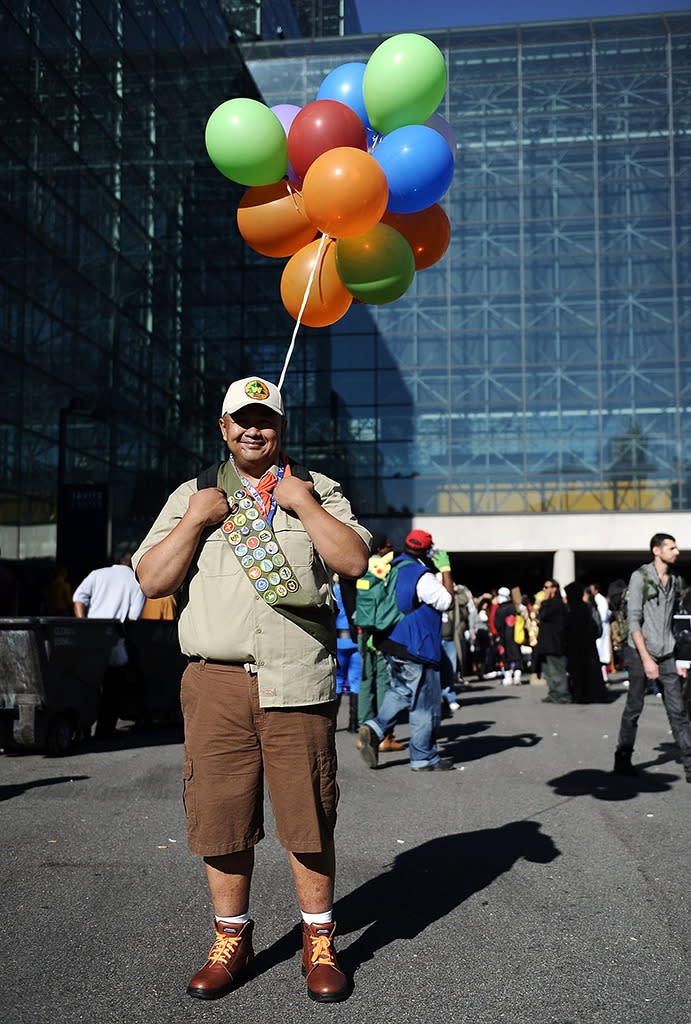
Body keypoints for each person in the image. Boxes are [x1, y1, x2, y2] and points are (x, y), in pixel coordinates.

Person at [132, 375, 369, 1003]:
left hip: (297, 678)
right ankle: (230, 939)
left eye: (265, 419)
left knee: (308, 817)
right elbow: (152, 579)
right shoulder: (195, 493)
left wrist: (305, 506)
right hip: (215, 682)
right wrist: (196, 520)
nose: (253, 429)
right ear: (223, 427)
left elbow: (352, 562)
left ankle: (319, 941)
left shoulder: (316, 490)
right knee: (221, 818)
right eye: (242, 419)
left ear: (281, 428)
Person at [357, 530, 454, 772]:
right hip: (417, 646)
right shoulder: (421, 574)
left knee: (400, 690)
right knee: (424, 702)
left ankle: (375, 727)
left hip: (392, 642)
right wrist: (445, 569)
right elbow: (447, 601)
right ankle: (423, 757)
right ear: (427, 549)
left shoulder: (393, 566)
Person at [613, 533, 691, 782]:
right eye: (671, 547)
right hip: (639, 650)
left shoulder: (676, 580)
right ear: (657, 551)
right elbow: (634, 621)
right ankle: (622, 758)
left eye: (676, 547)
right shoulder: (640, 577)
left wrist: (679, 659)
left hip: (667, 651)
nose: (676, 551)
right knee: (634, 707)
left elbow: (673, 623)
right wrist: (646, 659)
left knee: (678, 710)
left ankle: (690, 764)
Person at [73, 553, 147, 737]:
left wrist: (83, 624)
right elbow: (134, 617)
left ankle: (82, 725)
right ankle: (104, 730)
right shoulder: (137, 582)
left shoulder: (98, 574)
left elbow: (78, 597)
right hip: (115, 638)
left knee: (87, 682)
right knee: (113, 685)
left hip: (91, 635)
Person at [354, 532, 404, 752]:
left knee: (366, 680)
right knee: (385, 681)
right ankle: (384, 736)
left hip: (363, 632)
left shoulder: (362, 567)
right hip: (382, 632)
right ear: (379, 550)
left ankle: (363, 731)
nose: (390, 551)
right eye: (388, 547)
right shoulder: (384, 569)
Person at [564, 583, 607, 703]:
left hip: (573, 645)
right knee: (590, 671)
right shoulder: (588, 608)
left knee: (576, 671)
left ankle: (578, 694)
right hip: (588, 644)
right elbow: (597, 626)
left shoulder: (568, 609)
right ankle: (593, 694)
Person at [534, 579, 571, 703]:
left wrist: (545, 600)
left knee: (556, 670)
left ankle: (562, 694)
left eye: (547, 587)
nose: (544, 590)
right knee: (548, 670)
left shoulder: (556, 603)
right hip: (546, 643)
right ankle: (553, 693)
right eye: (544, 587)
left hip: (554, 642)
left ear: (554, 588)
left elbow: (544, 614)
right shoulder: (549, 603)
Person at [493, 587, 523, 685]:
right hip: (516, 636)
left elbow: (497, 624)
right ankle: (517, 677)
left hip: (504, 636)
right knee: (517, 655)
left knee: (505, 657)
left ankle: (508, 677)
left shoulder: (500, 609)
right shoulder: (515, 607)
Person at [589, 582, 612, 681]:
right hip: (599, 627)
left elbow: (603, 616)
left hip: (601, 627)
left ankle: (604, 677)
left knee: (601, 653)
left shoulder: (600, 599)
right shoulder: (595, 599)